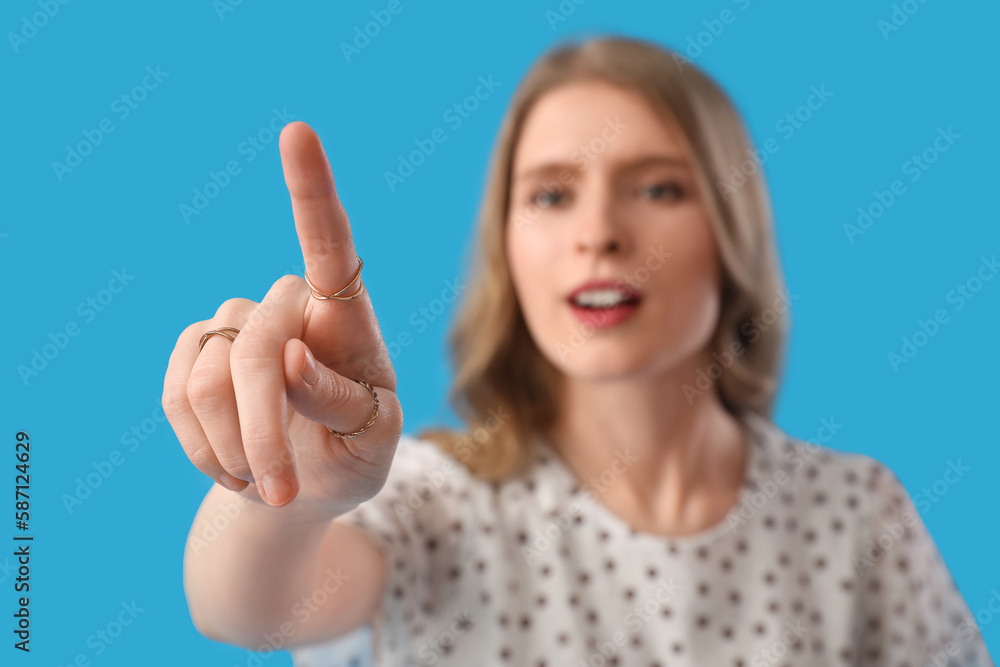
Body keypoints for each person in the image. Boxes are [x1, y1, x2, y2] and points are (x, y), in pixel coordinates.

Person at [163, 35, 995, 666]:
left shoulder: (857, 512)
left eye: (659, 186)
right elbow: (242, 608)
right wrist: (293, 496)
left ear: (730, 230)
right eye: (552, 194)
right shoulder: (429, 502)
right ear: (508, 247)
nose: (598, 233)